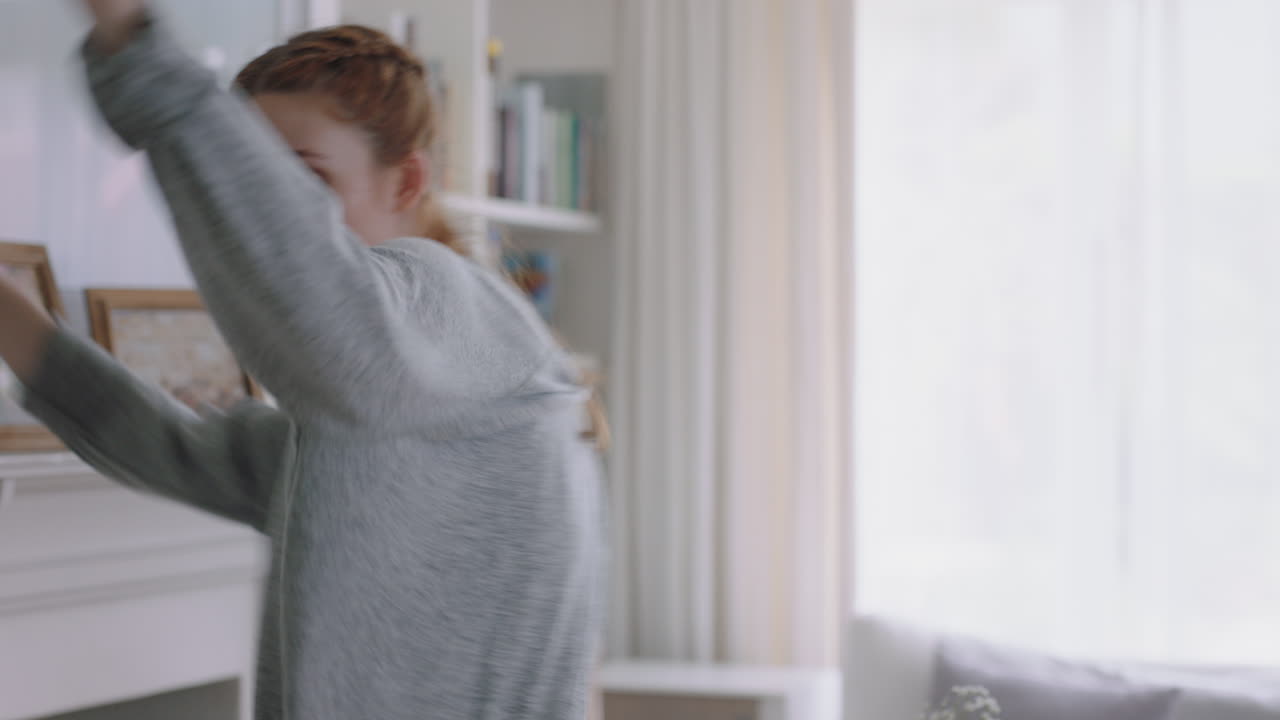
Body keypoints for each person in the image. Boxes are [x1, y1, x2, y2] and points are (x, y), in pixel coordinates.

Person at [0, 1, 605, 718]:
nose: (277, 220)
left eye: (307, 187)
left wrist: (131, 37)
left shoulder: (456, 303)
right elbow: (171, 448)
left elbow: (313, 294)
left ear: (406, 183)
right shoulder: (383, 421)